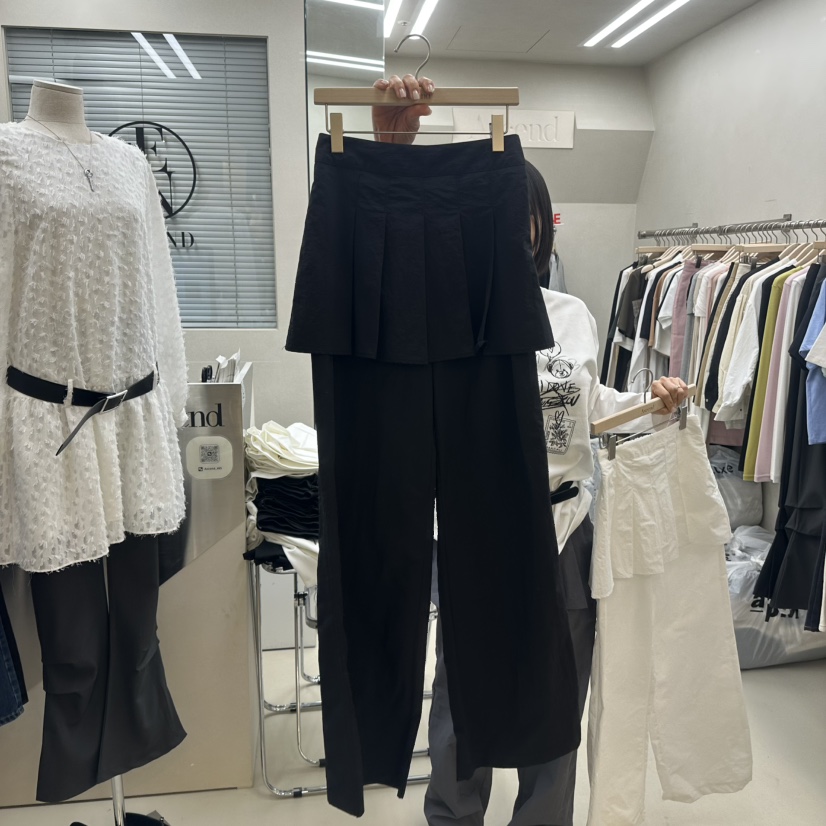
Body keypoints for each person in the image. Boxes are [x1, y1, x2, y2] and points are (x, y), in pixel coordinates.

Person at [372, 75, 690, 826]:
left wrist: (653, 403)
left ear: (542, 229)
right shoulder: (441, 314)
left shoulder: (570, 314)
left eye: (525, 219)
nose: (513, 233)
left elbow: (586, 408)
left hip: (564, 528)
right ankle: (453, 814)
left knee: (558, 689)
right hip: (473, 527)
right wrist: (392, 151)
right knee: (463, 690)